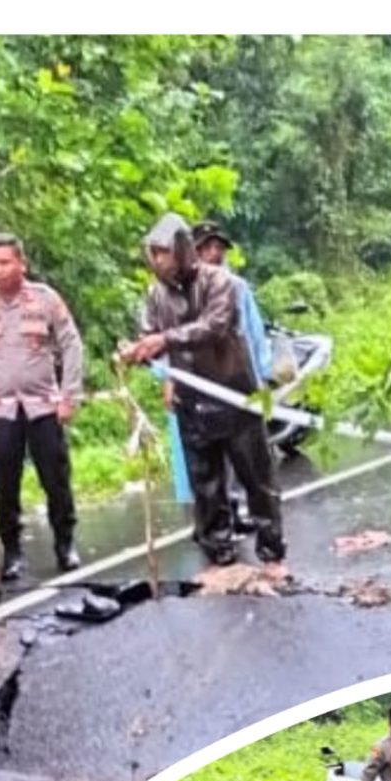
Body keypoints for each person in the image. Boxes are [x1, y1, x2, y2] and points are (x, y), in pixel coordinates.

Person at [118, 214, 286, 567]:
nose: (158, 260)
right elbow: (150, 333)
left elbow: (214, 326)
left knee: (256, 477)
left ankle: (271, 545)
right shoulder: (156, 294)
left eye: (163, 252)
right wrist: (137, 351)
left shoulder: (220, 282)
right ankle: (218, 549)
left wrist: (163, 339)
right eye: (153, 253)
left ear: (180, 249)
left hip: (233, 392)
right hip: (190, 400)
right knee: (205, 482)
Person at [0, 232, 85, 581]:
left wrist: (70, 394)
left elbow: (72, 344)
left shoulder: (45, 299)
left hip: (43, 408)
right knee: (4, 483)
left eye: (4, 262)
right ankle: (12, 552)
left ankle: (65, 544)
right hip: (1, 412)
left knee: (56, 478)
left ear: (21, 264)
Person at [192, 219, 271, 537]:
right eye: (206, 247)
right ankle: (213, 524)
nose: (213, 254)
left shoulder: (237, 288)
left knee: (249, 459)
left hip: (237, 383)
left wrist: (262, 379)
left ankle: (258, 523)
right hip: (197, 387)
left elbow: (254, 334)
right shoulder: (183, 290)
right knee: (204, 464)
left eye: (218, 248)